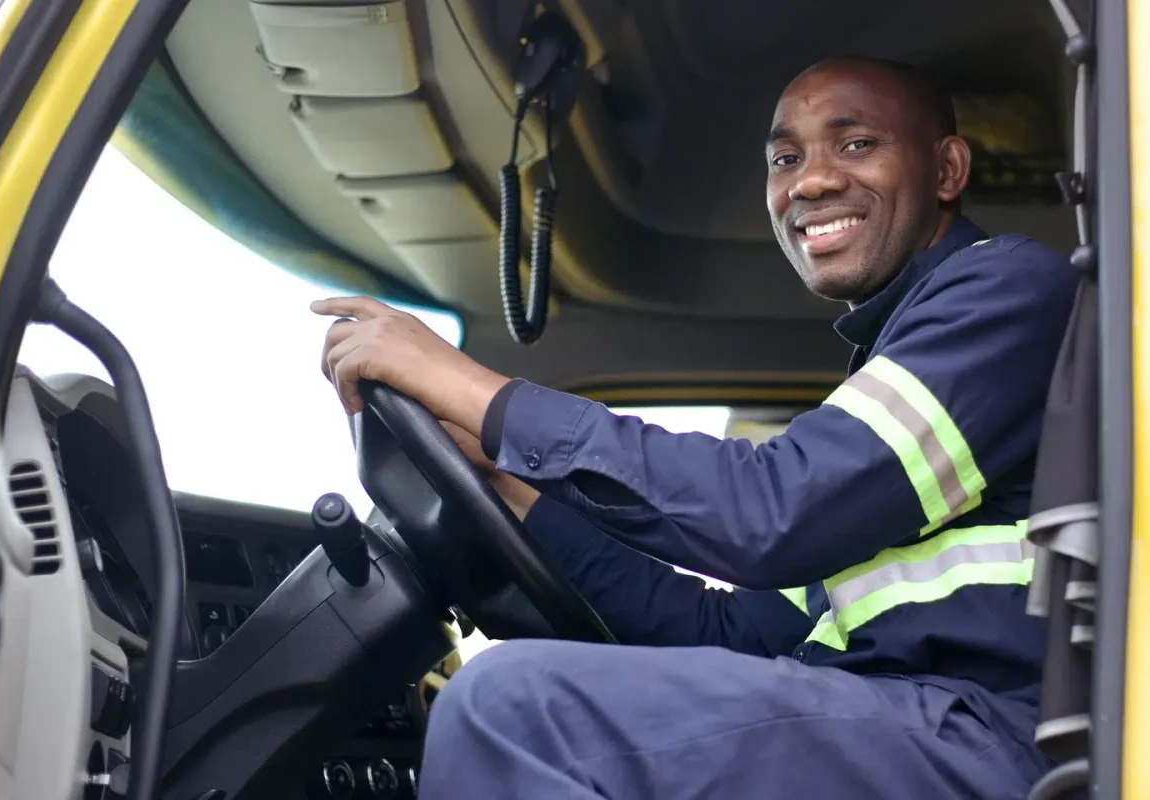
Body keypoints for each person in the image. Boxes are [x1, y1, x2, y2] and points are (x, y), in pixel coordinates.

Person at [314, 55, 1077, 799]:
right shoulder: (888, 418)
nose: (810, 181)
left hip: (998, 744)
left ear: (947, 170)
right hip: (906, 727)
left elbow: (774, 510)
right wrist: (508, 484)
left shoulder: (1006, 293)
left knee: (513, 710)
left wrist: (475, 389)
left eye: (857, 144)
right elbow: (726, 632)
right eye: (785, 157)